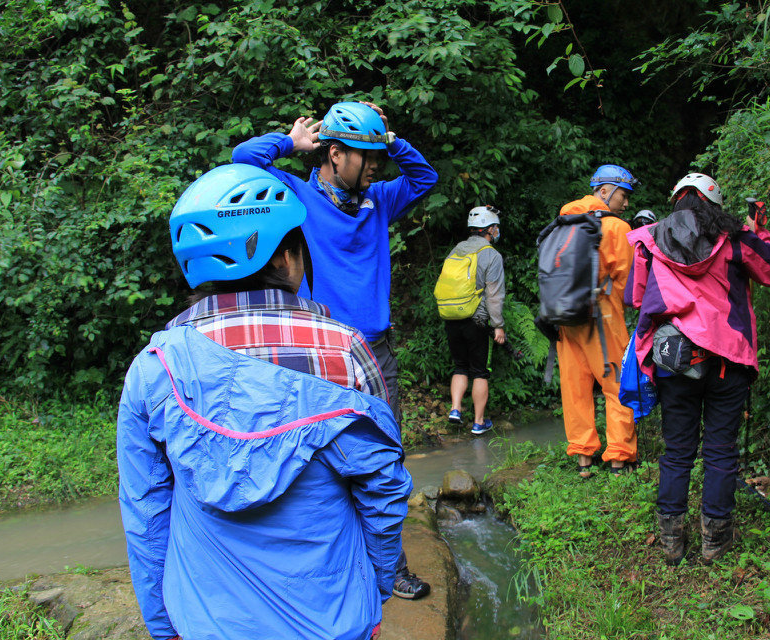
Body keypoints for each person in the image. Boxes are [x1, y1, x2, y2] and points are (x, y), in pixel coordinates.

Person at [117, 164, 411, 640]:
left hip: (207, 623)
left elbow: (146, 512)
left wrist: (162, 622)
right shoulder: (347, 351)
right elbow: (383, 491)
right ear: (287, 258)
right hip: (333, 620)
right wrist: (374, 589)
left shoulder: (156, 368)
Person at [232, 100, 435, 599]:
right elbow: (242, 162)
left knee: (384, 458)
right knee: (316, 460)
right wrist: (290, 142)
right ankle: (326, 566)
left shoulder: (380, 199)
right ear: (333, 154)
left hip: (376, 352)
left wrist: (388, 139)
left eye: (376, 158)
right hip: (315, 353)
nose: (373, 168)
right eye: (363, 157)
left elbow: (425, 177)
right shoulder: (298, 196)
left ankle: (391, 569)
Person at [624, 172, 770, 565]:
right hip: (728, 359)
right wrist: (760, 231)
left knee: (678, 451)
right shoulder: (736, 238)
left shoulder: (650, 240)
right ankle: (714, 543)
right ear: (714, 204)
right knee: (720, 450)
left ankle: (671, 542)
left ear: (677, 202)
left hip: (674, 361)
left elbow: (637, 297)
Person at [556, 164, 639, 478]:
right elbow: (627, 282)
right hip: (602, 315)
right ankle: (619, 459)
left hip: (564, 315)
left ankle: (583, 459)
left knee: (574, 388)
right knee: (616, 384)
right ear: (604, 190)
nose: (626, 203)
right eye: (623, 195)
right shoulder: (617, 228)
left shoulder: (563, 221)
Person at [441, 205, 507, 436]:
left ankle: (456, 409)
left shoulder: (456, 250)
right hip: (477, 320)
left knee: (460, 366)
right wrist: (498, 325)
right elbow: (494, 294)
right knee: (479, 371)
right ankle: (478, 423)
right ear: (489, 229)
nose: (498, 231)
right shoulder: (491, 255)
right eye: (496, 227)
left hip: (451, 317)